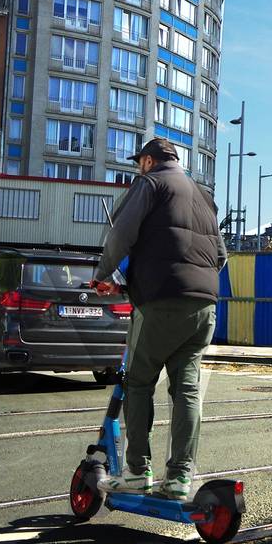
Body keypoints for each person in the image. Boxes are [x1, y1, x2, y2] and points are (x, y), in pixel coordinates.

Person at [91, 137, 226, 500]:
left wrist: (103, 275)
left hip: (160, 303)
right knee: (187, 389)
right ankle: (180, 477)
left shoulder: (149, 184)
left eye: (140, 162)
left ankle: (137, 471)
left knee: (138, 382)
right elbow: (220, 257)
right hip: (204, 306)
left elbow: (121, 234)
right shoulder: (204, 196)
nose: (138, 168)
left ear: (148, 162)